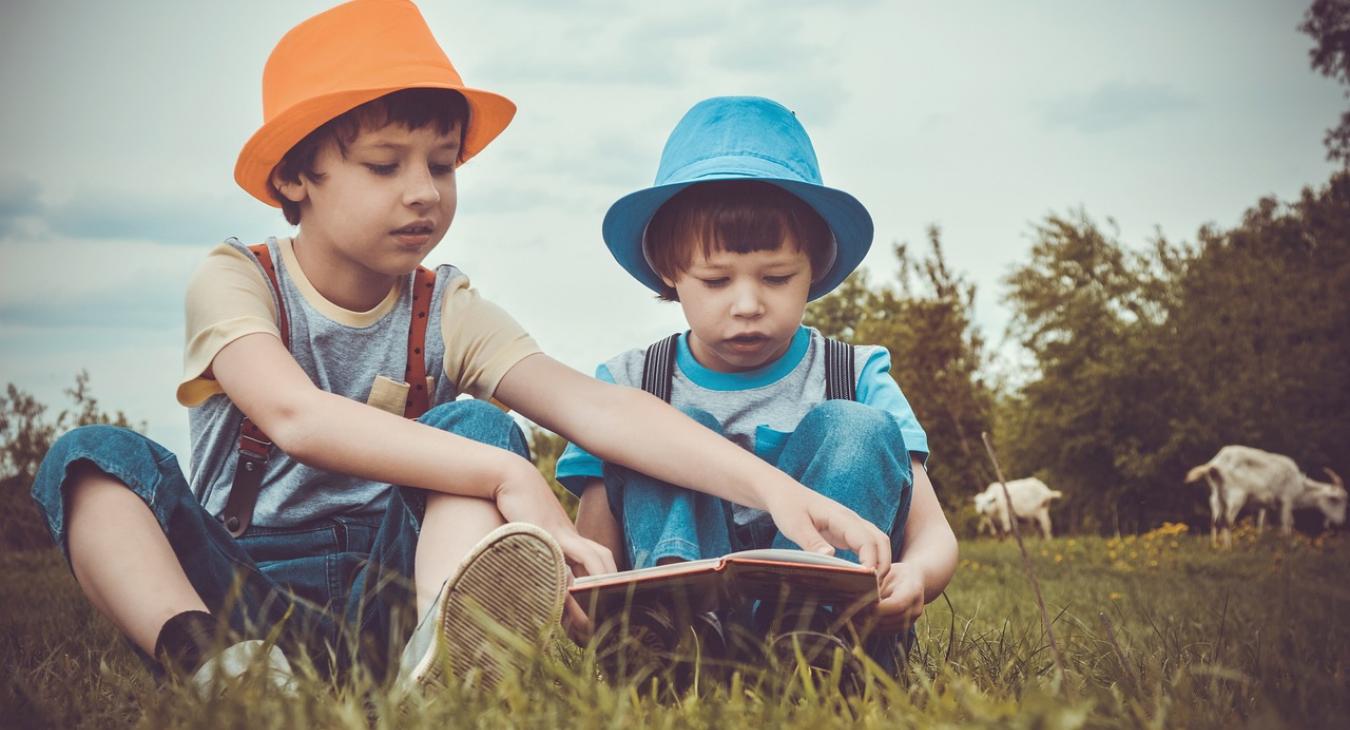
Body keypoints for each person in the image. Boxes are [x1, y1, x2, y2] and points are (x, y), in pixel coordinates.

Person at [28, 3, 892, 695]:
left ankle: (441, 661)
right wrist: (511, 477)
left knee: (478, 421)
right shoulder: (236, 280)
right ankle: (212, 665)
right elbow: (293, 416)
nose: (423, 194)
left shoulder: (449, 306)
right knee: (94, 457)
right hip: (241, 584)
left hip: (391, 588)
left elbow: (597, 409)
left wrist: (777, 491)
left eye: (441, 165)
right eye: (384, 165)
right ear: (295, 176)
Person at [556, 96, 959, 673]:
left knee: (853, 425)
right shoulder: (629, 385)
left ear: (815, 267)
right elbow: (596, 554)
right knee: (661, 431)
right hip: (679, 644)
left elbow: (935, 535)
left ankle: (816, 637)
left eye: (776, 277)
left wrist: (915, 575)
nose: (747, 305)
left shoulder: (855, 374)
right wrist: (588, 600)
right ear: (670, 272)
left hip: (838, 632)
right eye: (716, 280)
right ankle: (674, 632)